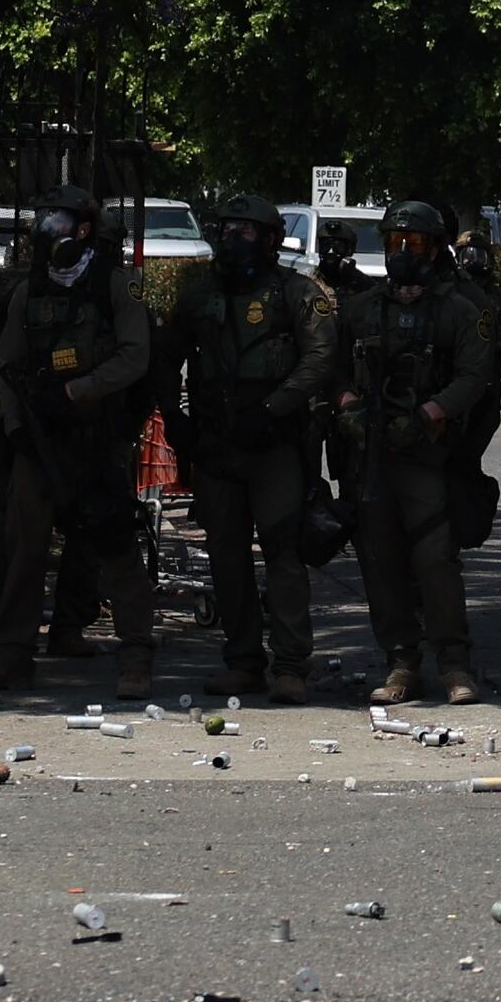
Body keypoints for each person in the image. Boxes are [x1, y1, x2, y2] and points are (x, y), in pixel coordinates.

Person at [168, 195, 340, 700]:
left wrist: (271, 409)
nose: (232, 239)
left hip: (274, 442)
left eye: (244, 231)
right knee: (225, 552)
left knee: (283, 550)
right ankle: (243, 659)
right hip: (217, 442)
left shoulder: (298, 293)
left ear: (268, 240)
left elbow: (320, 358)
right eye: (226, 229)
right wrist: (174, 419)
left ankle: (290, 665)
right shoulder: (199, 293)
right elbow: (166, 355)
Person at [0, 195, 159, 687]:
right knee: (24, 549)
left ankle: (135, 654)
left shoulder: (116, 286)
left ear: (85, 230)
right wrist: (16, 424)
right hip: (40, 440)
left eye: (59, 222)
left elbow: (134, 358)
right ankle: (13, 653)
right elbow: (9, 363)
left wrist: (78, 391)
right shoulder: (29, 290)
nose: (48, 230)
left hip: (94, 437)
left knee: (115, 545)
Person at [335, 196, 498, 704]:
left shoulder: (458, 309)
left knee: (435, 562)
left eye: (416, 243)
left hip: (430, 457)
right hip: (374, 456)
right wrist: (347, 405)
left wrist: (434, 411)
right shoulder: (362, 309)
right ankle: (401, 662)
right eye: (394, 242)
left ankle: (454, 664)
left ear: (436, 249)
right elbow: (331, 364)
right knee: (382, 564)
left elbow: (477, 374)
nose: (403, 252)